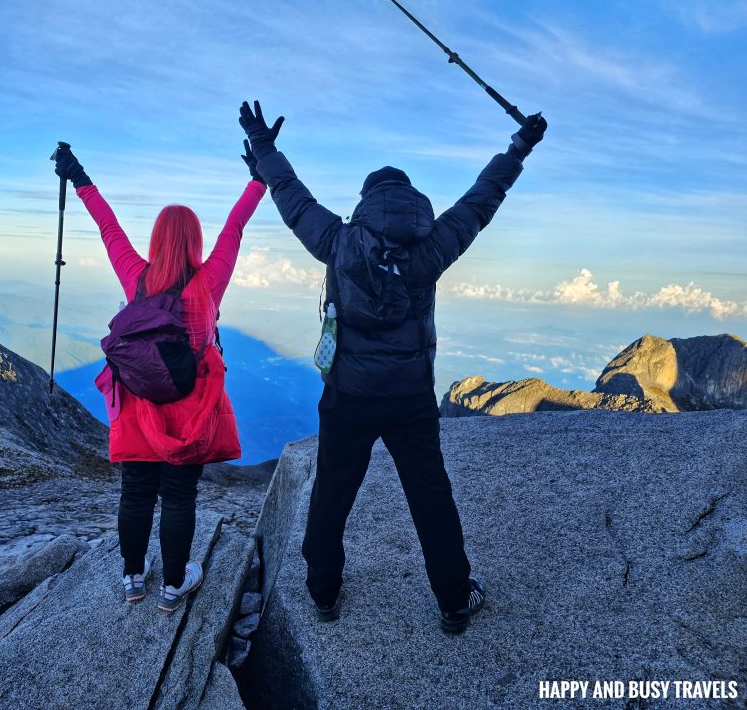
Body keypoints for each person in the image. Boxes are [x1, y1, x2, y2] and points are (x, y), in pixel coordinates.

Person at [238, 100, 547, 632]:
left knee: (332, 489)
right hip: (410, 398)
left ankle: (324, 592)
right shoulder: (431, 250)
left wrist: (264, 149)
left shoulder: (336, 243)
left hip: (348, 397)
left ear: (365, 203)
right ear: (413, 205)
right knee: (431, 496)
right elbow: (481, 199)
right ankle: (453, 601)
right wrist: (519, 148)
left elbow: (292, 197)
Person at [54, 145, 267, 612]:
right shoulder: (209, 282)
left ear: (156, 240)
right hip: (191, 407)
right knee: (178, 496)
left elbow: (107, 227)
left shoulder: (136, 277)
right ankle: (174, 586)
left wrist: (79, 176)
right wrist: (259, 177)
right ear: (193, 240)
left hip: (138, 403)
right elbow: (235, 228)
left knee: (135, 493)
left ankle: (133, 579)